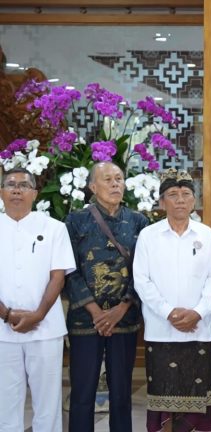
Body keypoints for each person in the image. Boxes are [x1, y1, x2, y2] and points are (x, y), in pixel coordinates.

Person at [133, 169, 211, 432]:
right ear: (162, 202)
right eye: (173, 194)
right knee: (163, 396)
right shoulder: (149, 235)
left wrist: (198, 312)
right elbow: (142, 281)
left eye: (186, 194)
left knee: (199, 400)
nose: (180, 200)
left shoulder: (206, 235)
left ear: (194, 200)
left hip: (199, 330)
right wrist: (169, 313)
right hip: (161, 330)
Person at [64, 161, 149, 432]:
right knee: (82, 393)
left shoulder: (138, 221)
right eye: (108, 179)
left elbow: (145, 271)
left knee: (122, 394)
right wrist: (96, 312)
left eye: (119, 179)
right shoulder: (75, 221)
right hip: (85, 319)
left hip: (124, 318)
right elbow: (68, 269)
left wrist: (121, 308)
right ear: (92, 186)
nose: (115, 184)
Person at [0, 167, 75, 432]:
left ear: (34, 193)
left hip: (45, 329)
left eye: (23, 185)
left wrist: (38, 314)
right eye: (10, 185)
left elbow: (58, 277)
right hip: (2, 331)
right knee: (5, 402)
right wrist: (6, 314)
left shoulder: (54, 228)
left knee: (48, 404)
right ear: (1, 192)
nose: (16, 190)